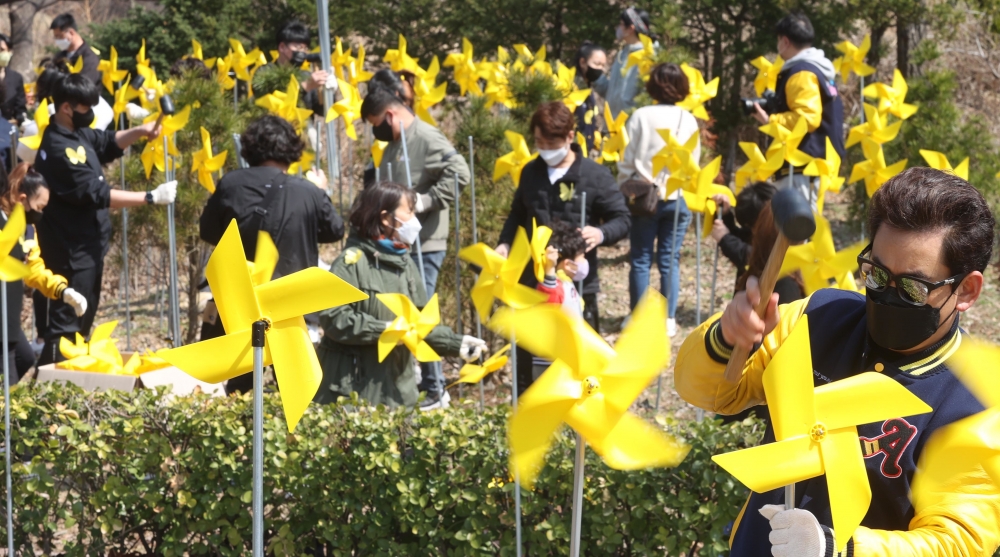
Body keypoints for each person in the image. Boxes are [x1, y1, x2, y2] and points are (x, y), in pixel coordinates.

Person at [674, 167, 1000, 556]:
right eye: (876, 273)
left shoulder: (975, 404)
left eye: (913, 287)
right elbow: (712, 392)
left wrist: (839, 548)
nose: (886, 293)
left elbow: (958, 539)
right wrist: (727, 339)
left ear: (966, 290)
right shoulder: (820, 316)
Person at [33, 73, 175, 366]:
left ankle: (74, 380)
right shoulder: (59, 149)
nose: (91, 114)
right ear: (66, 108)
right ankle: (48, 384)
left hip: (89, 247)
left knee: (84, 320)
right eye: (86, 108)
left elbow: (106, 141)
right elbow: (97, 193)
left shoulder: (75, 131)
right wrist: (150, 197)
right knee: (64, 327)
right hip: (70, 253)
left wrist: (141, 130)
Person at [199, 115, 345, 394]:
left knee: (240, 383)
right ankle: (291, 435)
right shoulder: (308, 191)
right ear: (292, 150)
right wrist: (321, 192)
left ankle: (238, 434)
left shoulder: (230, 183)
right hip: (290, 302)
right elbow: (334, 230)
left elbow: (208, 231)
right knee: (294, 386)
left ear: (250, 148)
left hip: (241, 299)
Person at [315, 181, 486, 408]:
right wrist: (385, 330)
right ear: (386, 218)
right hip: (353, 392)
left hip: (399, 391)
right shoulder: (351, 262)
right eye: (409, 211)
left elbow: (419, 326)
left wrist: (456, 343)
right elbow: (333, 318)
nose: (415, 219)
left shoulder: (406, 265)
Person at [498, 101, 630, 393]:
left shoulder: (594, 176)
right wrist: (505, 244)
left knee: (578, 357)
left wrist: (602, 232)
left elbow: (622, 219)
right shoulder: (531, 172)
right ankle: (528, 407)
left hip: (577, 283)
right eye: (538, 142)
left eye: (551, 142)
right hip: (532, 281)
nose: (544, 148)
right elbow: (518, 215)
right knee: (529, 352)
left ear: (570, 136)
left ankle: (577, 419)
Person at [361, 86, 471, 408]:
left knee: (420, 313)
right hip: (402, 242)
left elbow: (460, 173)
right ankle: (428, 382)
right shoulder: (395, 141)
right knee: (410, 312)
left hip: (426, 242)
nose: (376, 129)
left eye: (377, 121)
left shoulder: (426, 136)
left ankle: (437, 389)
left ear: (391, 114)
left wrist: (426, 201)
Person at [617, 63, 698, 336]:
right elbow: (693, 162)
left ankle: (639, 318)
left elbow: (626, 158)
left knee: (640, 258)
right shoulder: (688, 119)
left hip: (643, 198)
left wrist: (625, 183)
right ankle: (669, 319)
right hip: (676, 196)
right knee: (669, 260)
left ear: (652, 85)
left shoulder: (640, 115)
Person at [0, 163, 87, 380]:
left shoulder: (28, 229)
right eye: (38, 208)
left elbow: (33, 269)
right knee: (7, 376)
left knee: (25, 358)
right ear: (22, 200)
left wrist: (62, 290)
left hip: (9, 315)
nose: (40, 214)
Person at [752, 12, 844, 211]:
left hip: (799, 164)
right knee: (802, 230)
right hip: (811, 164)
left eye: (778, 41)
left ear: (785, 41)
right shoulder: (819, 70)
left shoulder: (801, 73)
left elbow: (808, 118)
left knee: (795, 232)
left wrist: (770, 119)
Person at [532, 219, 587, 380]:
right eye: (582, 257)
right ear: (568, 264)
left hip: (565, 360)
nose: (584, 263)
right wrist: (549, 268)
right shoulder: (553, 284)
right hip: (551, 365)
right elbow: (549, 299)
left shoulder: (566, 283)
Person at [709, 181, 776, 286]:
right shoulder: (767, 226)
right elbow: (743, 238)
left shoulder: (781, 240)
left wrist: (725, 238)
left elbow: (755, 258)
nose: (750, 230)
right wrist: (725, 214)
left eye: (750, 226)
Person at [592, 7, 654, 118]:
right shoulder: (622, 54)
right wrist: (596, 78)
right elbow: (613, 94)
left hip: (631, 126)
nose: (618, 28)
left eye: (621, 24)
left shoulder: (647, 57)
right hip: (612, 126)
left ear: (630, 29)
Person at [572, 41, 607, 157]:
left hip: (586, 153)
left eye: (603, 65)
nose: (600, 69)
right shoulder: (571, 88)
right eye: (597, 64)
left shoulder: (589, 89)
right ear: (583, 62)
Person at [50, 14, 101, 86]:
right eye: (55, 37)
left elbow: (85, 88)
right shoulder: (59, 57)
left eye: (59, 36)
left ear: (71, 33)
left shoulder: (89, 59)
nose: (57, 41)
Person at [0, 34, 26, 124]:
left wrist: (17, 120)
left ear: (10, 52)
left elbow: (20, 109)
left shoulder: (16, 78)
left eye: (2, 50)